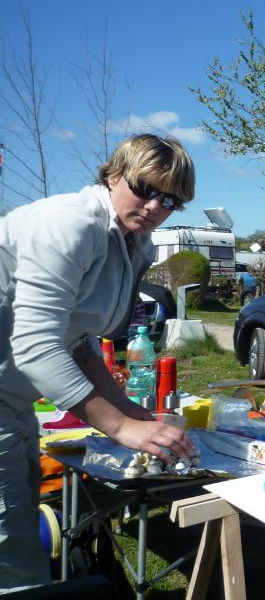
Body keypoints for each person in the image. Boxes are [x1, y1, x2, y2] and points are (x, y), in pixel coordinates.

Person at [0, 133, 196, 591]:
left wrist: (134, 414)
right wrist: (120, 428)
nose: (153, 206)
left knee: (22, 528)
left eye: (169, 200)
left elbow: (81, 344)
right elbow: (35, 345)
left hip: (15, 402)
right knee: (14, 564)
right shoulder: (71, 224)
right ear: (112, 174)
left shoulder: (132, 242)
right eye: (145, 188)